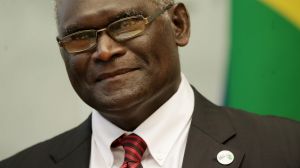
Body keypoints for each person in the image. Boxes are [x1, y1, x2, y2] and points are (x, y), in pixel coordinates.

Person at [1, 0, 300, 167]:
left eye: (127, 24)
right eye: (79, 36)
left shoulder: (286, 151)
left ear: (179, 25)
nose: (105, 51)